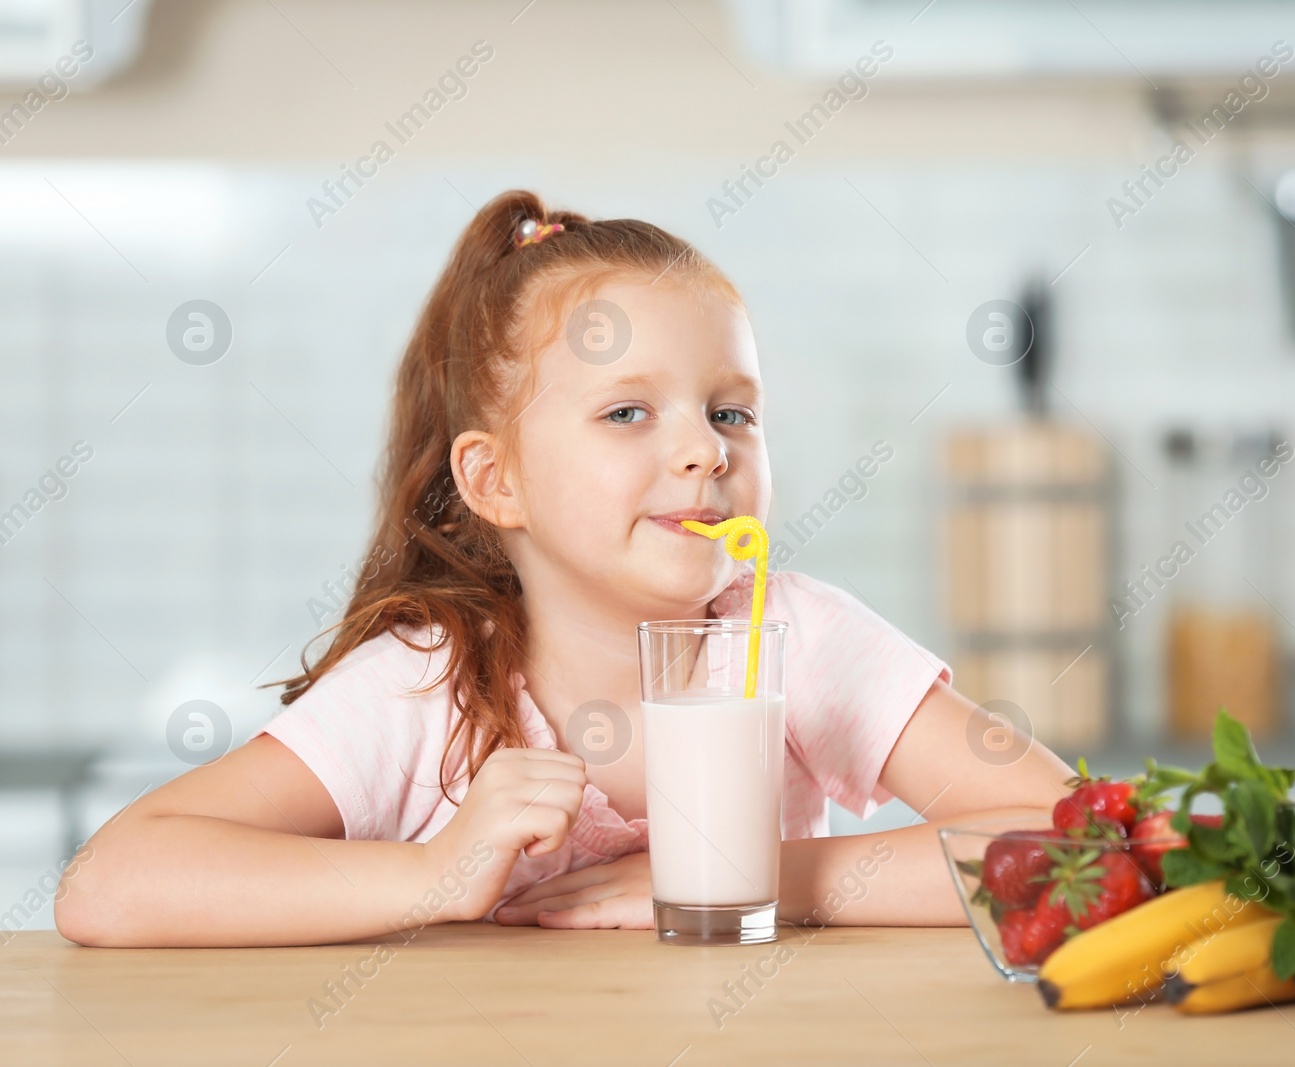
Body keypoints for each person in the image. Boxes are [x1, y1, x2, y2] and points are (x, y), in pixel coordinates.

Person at [55, 191, 1071, 947]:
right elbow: (109, 883)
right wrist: (433, 874)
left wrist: (759, 873)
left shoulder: (789, 637)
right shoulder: (431, 685)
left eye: (731, 411)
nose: (707, 451)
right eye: (628, 411)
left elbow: (1075, 840)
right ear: (497, 480)